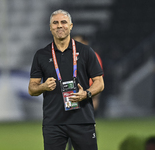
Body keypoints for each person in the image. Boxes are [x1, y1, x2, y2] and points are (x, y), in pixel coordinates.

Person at [28, 9, 104, 150]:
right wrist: (42, 87)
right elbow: (32, 88)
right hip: (53, 122)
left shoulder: (86, 51)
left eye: (63, 22)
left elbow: (99, 82)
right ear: (50, 27)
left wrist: (86, 94)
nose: (59, 25)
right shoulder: (41, 55)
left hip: (82, 120)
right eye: (55, 23)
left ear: (71, 26)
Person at [73, 35, 103, 114]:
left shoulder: (92, 55)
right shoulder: (72, 56)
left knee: (90, 107)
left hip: (90, 86)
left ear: (85, 42)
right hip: (76, 86)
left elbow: (99, 75)